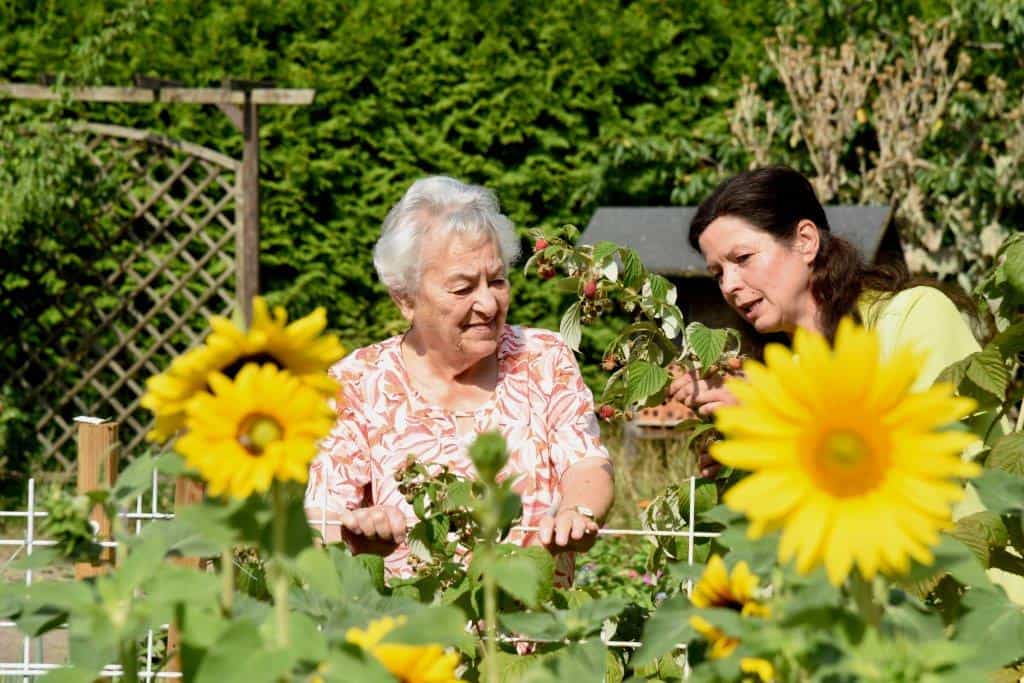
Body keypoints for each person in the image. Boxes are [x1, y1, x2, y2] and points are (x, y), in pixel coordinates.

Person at [672, 166, 1023, 603]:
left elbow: (929, 464)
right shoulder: (783, 374)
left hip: (975, 609)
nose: (730, 285)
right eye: (717, 273)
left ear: (805, 241)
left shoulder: (913, 316)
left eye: (742, 259)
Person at [304, 175, 614, 586]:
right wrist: (360, 534)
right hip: (409, 635)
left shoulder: (543, 358)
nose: (487, 303)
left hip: (536, 629)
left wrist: (579, 512)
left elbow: (587, 462)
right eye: (463, 287)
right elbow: (323, 517)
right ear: (406, 299)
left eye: (497, 280)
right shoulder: (358, 382)